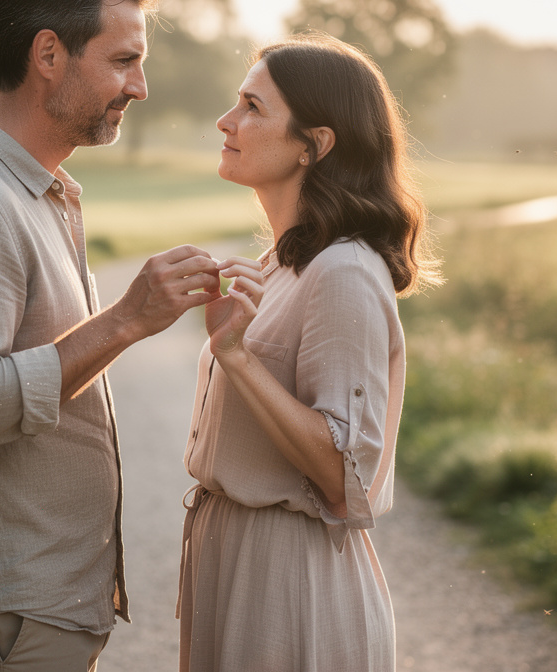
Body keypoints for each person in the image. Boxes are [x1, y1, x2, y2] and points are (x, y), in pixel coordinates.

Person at [0, 0, 222, 672]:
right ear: (48, 55)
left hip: (35, 603)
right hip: (4, 608)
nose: (140, 87)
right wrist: (126, 320)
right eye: (123, 60)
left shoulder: (40, 192)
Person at [177, 33, 440, 672]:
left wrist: (236, 356)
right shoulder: (285, 262)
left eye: (252, 108)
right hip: (236, 564)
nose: (226, 120)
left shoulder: (344, 271)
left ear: (313, 144)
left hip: (290, 584)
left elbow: (345, 475)